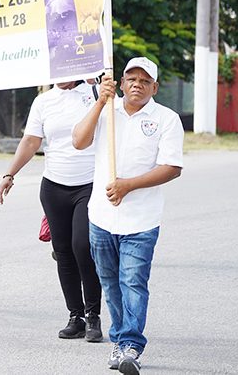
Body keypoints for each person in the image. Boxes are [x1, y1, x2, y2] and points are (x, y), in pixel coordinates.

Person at [73, 57, 183, 375]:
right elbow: (79, 141)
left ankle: (131, 344)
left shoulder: (166, 119)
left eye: (145, 81)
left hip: (142, 219)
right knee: (110, 281)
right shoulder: (107, 111)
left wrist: (128, 186)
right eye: (131, 78)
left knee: (133, 281)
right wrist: (100, 102)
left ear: (154, 88)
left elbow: (171, 168)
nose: (137, 84)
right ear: (121, 83)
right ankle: (121, 339)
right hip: (102, 216)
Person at [0, 81, 103, 343]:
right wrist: (10, 173)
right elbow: (32, 141)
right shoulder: (44, 100)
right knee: (63, 251)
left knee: (82, 246)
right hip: (54, 187)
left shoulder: (94, 92)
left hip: (89, 184)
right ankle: (75, 316)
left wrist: (100, 87)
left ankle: (93, 315)